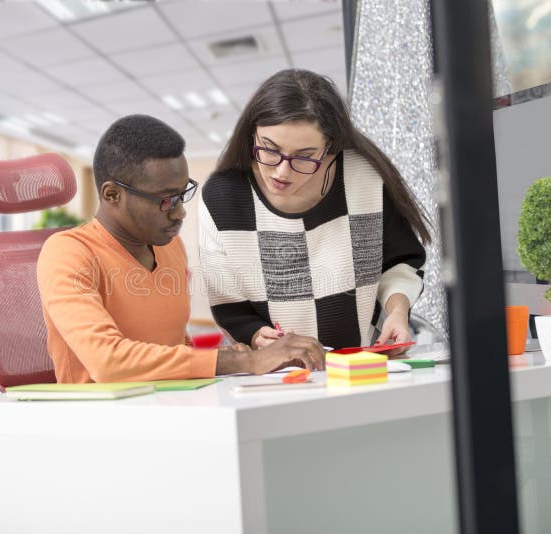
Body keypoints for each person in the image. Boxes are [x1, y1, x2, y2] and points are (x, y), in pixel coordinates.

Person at [37, 114, 325, 383]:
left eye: (182, 194)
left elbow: (174, 348)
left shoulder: (170, 247)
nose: (179, 213)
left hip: (170, 406)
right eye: (165, 200)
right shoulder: (67, 252)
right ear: (112, 194)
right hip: (100, 420)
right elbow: (108, 362)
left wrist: (239, 356)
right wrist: (241, 363)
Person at [199, 69, 430, 356]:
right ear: (251, 134)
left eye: (304, 157)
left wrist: (397, 311)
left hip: (357, 364)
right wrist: (258, 335)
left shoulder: (362, 177)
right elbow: (229, 303)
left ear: (330, 147)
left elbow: (400, 262)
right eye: (269, 150)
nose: (282, 172)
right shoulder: (224, 196)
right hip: (276, 375)